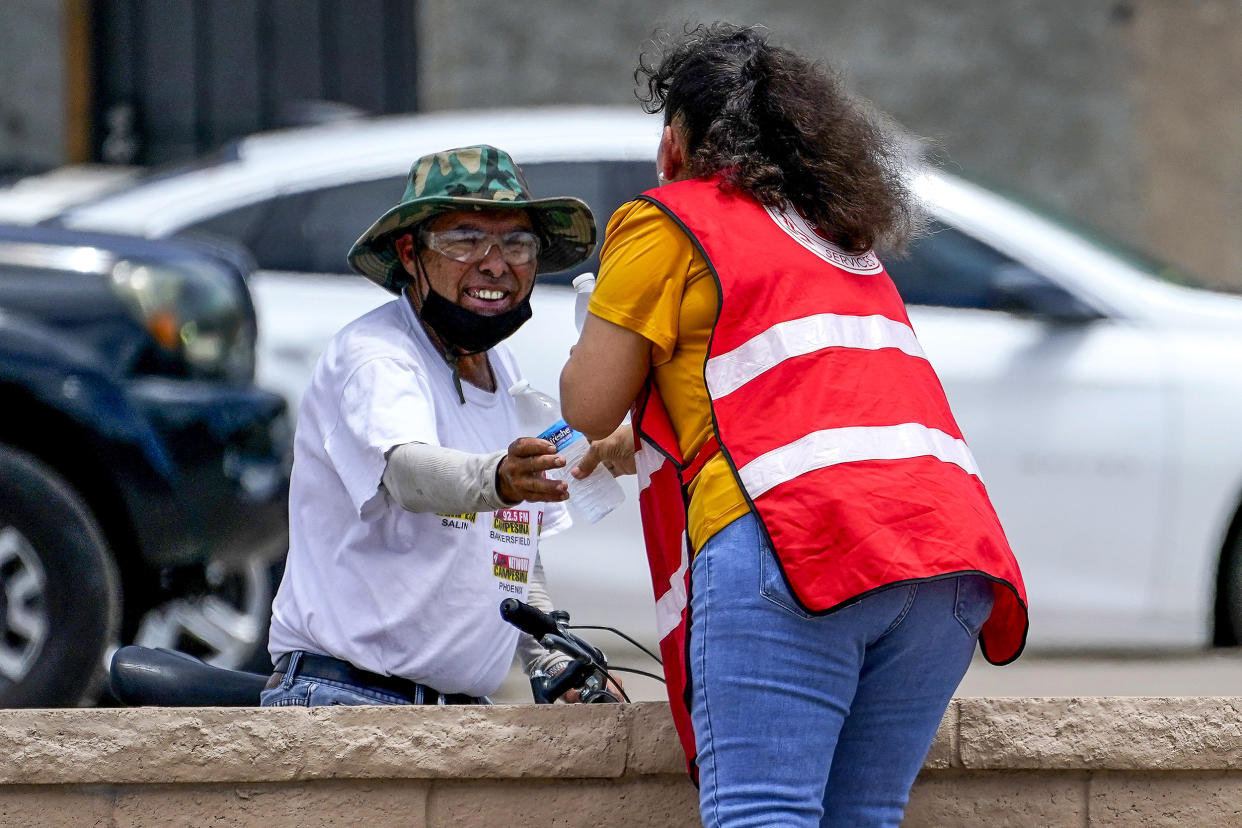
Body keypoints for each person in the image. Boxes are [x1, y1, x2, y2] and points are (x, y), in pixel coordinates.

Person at [560, 24, 1029, 827]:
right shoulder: (838, 232)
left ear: (676, 140)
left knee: (763, 811)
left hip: (799, 545)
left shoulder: (667, 218)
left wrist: (600, 314)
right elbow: (786, 395)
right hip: (949, 559)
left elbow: (587, 405)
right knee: (863, 817)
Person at [262, 145, 599, 707]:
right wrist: (499, 478)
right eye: (465, 240)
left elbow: (511, 543)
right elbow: (409, 474)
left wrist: (551, 655)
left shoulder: (501, 368)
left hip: (449, 712)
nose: (495, 263)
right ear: (410, 253)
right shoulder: (379, 357)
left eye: (516, 243)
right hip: (347, 700)